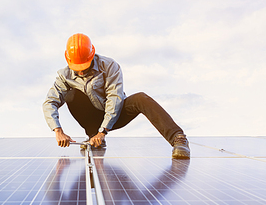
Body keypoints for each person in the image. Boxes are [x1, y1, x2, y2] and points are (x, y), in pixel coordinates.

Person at [42, 33, 190, 159]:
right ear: (68, 60)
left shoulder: (109, 66)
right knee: (71, 94)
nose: (81, 72)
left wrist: (103, 131)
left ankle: (178, 138)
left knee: (141, 98)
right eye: (77, 68)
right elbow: (50, 102)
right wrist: (58, 130)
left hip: (116, 113)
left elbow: (115, 98)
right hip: (92, 119)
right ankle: (94, 136)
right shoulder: (64, 76)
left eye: (84, 67)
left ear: (92, 55)